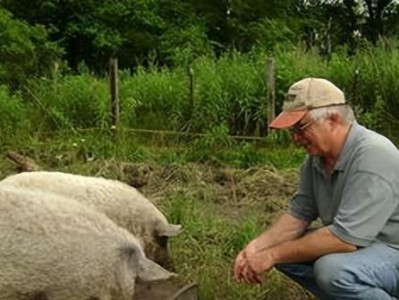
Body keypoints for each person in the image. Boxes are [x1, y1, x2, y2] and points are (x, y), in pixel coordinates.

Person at [233, 77, 399, 299]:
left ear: (333, 119)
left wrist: (272, 255)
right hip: (365, 247)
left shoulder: (373, 155)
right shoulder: (316, 161)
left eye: (300, 128)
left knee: (333, 272)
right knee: (286, 250)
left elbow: (344, 240)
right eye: (291, 131)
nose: (295, 138)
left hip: (392, 249)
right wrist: (256, 249)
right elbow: (298, 214)